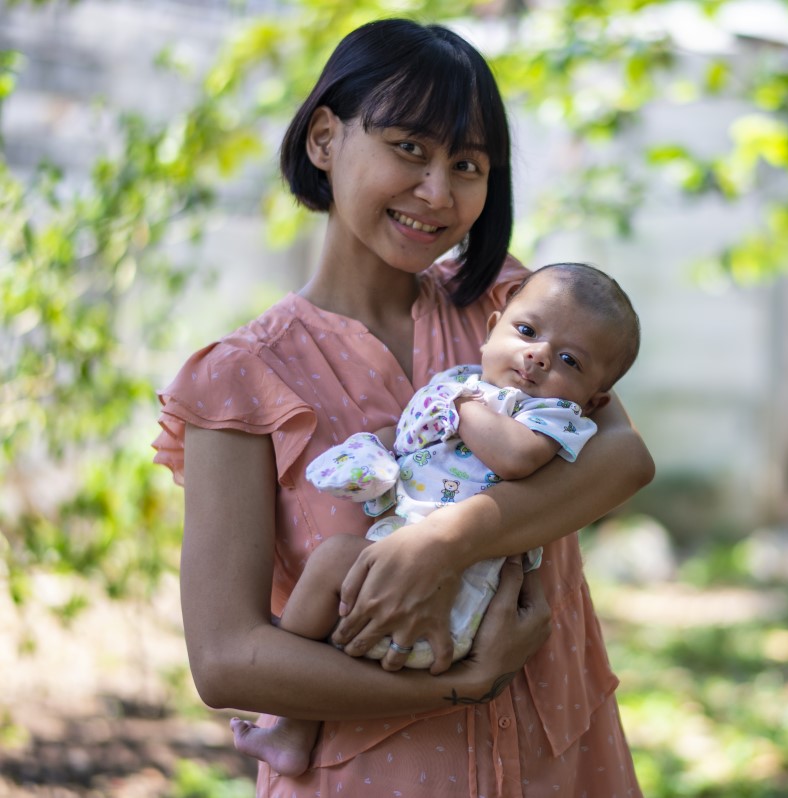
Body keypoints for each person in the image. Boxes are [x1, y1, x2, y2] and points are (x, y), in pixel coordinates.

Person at [151, 18, 653, 797]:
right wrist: (463, 682)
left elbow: (624, 460)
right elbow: (226, 659)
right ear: (324, 138)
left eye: (468, 163)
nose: (438, 192)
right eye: (409, 148)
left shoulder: (513, 311)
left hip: (564, 755)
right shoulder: (240, 382)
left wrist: (444, 542)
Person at [229, 262, 641, 776]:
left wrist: (463, 405)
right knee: (333, 561)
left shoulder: (547, 416)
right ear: (491, 330)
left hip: (465, 595)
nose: (538, 355)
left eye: (569, 360)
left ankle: (296, 680)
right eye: (527, 332)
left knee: (336, 558)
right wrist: (378, 449)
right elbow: (409, 437)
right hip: (394, 575)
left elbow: (513, 458)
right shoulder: (458, 385)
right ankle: (292, 727)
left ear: (595, 399)